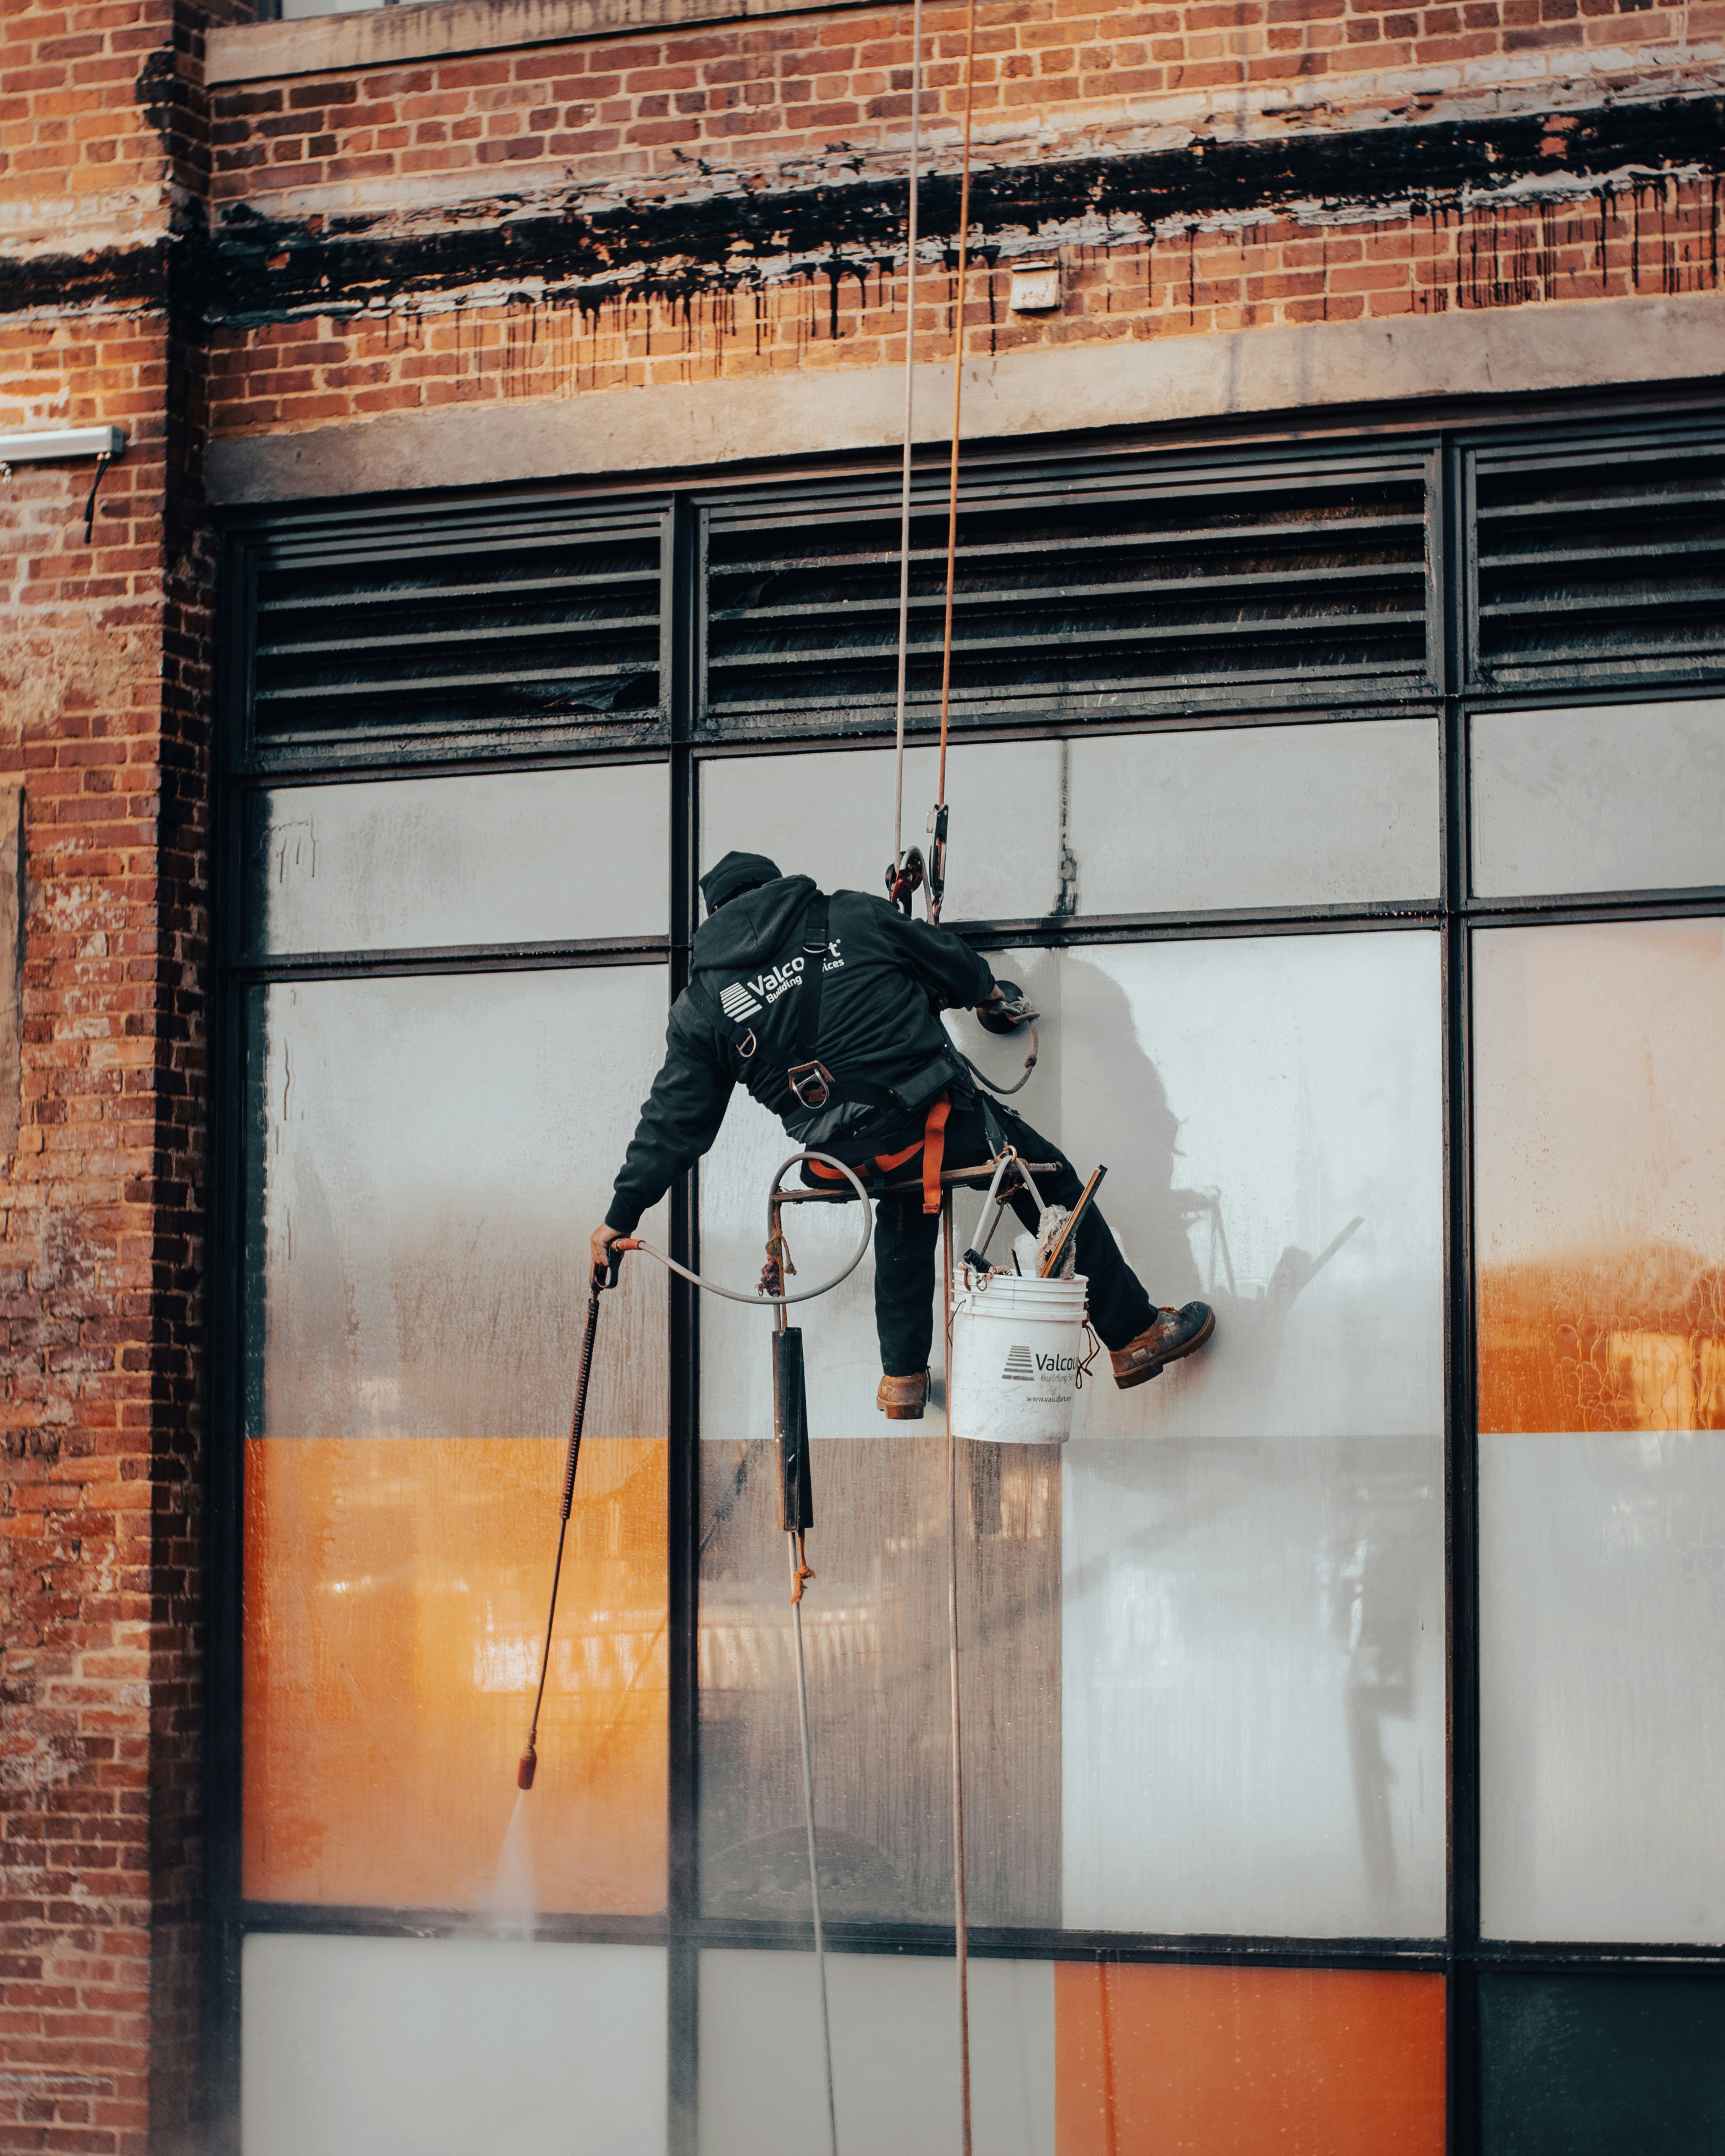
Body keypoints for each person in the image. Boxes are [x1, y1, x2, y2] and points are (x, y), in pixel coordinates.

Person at [591, 850, 1214, 1419]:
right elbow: (952, 966)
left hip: (841, 1163)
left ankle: (902, 1378)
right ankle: (1133, 1334)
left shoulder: (701, 1006)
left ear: (716, 919)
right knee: (1047, 1178)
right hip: (941, 1122)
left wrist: (619, 1217)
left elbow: (673, 1124)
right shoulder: (849, 916)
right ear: (775, 888)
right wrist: (990, 996)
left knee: (903, 1204)